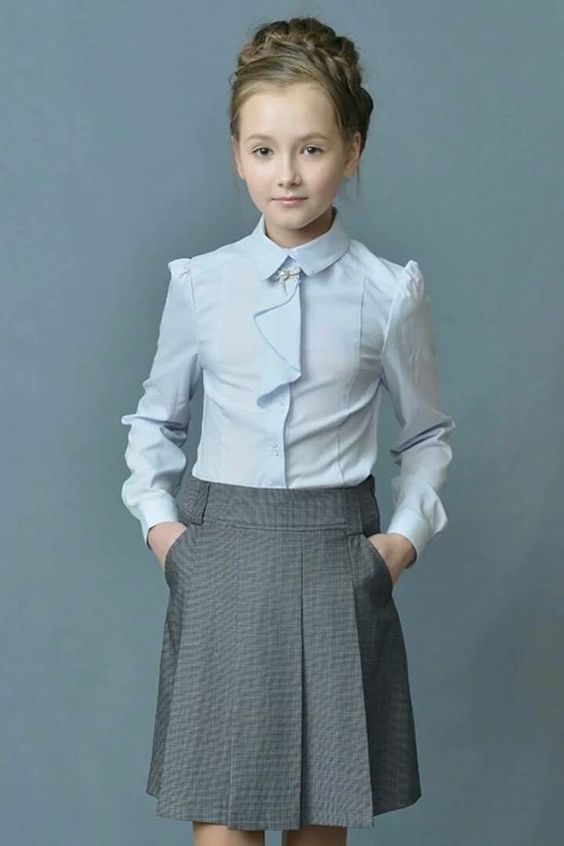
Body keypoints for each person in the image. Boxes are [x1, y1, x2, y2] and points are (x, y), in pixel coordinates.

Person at [119, 15, 456, 846]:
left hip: (337, 563)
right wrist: (166, 535)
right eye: (264, 150)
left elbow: (425, 435)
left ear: (352, 150)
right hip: (221, 561)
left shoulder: (387, 291)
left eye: (312, 148)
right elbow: (157, 421)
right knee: (222, 831)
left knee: (317, 831)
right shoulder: (200, 285)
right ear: (237, 155)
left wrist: (398, 545)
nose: (289, 175)